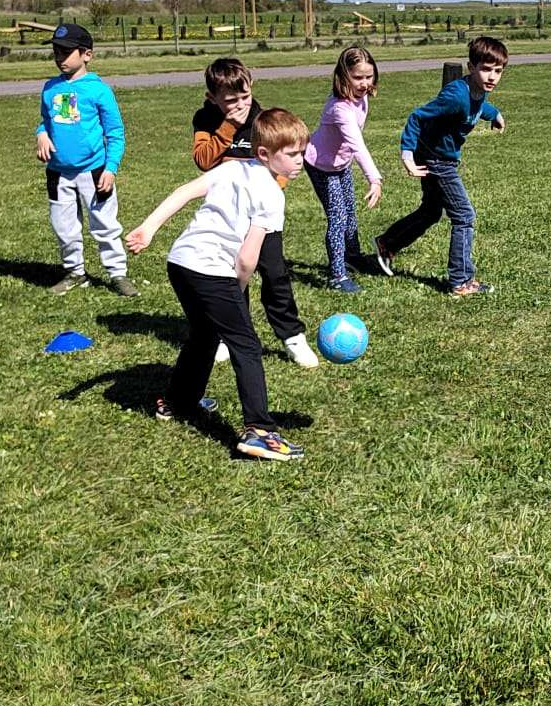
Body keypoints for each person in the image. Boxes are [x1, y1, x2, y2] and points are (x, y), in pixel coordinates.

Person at [126, 107, 310, 463]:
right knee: (246, 344)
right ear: (264, 154)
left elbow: (184, 191)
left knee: (205, 334)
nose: (300, 160)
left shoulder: (231, 167)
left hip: (180, 263)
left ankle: (177, 401)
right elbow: (247, 259)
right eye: (292, 154)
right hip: (210, 270)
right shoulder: (273, 195)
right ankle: (259, 432)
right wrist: (236, 290)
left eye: (302, 151)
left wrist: (149, 228)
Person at [188, 57, 320, 368]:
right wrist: (229, 127)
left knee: (275, 274)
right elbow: (204, 161)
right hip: (226, 217)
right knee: (231, 276)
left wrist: (272, 190)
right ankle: (229, 335)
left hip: (261, 215)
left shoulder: (263, 120)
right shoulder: (205, 119)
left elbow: (282, 164)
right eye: (230, 100)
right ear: (212, 98)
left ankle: (292, 336)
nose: (240, 105)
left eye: (245, 96)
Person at [372, 35, 507, 296]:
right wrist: (407, 156)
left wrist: (495, 114)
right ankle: (461, 281)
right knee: (464, 216)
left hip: (439, 157)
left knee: (431, 211)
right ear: (472, 67)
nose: (492, 77)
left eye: (498, 71)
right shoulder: (456, 96)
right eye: (486, 69)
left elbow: (479, 105)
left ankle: (387, 243)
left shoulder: (478, 89)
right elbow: (417, 117)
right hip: (436, 159)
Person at [34, 22, 137, 296]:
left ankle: (117, 274)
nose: (60, 57)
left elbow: (115, 133)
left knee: (104, 225)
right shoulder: (50, 88)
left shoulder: (98, 90)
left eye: (66, 52)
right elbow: (47, 121)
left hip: (94, 172)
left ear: (87, 54)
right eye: (56, 51)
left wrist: (111, 168)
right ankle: (75, 272)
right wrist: (41, 134)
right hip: (58, 174)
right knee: (64, 227)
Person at [304, 46, 383, 292]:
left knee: (349, 211)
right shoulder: (340, 109)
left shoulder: (362, 97)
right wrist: (374, 179)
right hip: (321, 165)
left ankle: (352, 256)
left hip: (341, 163)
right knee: (337, 217)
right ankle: (337, 275)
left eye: (368, 76)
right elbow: (357, 144)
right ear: (343, 76)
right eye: (357, 77)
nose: (364, 83)